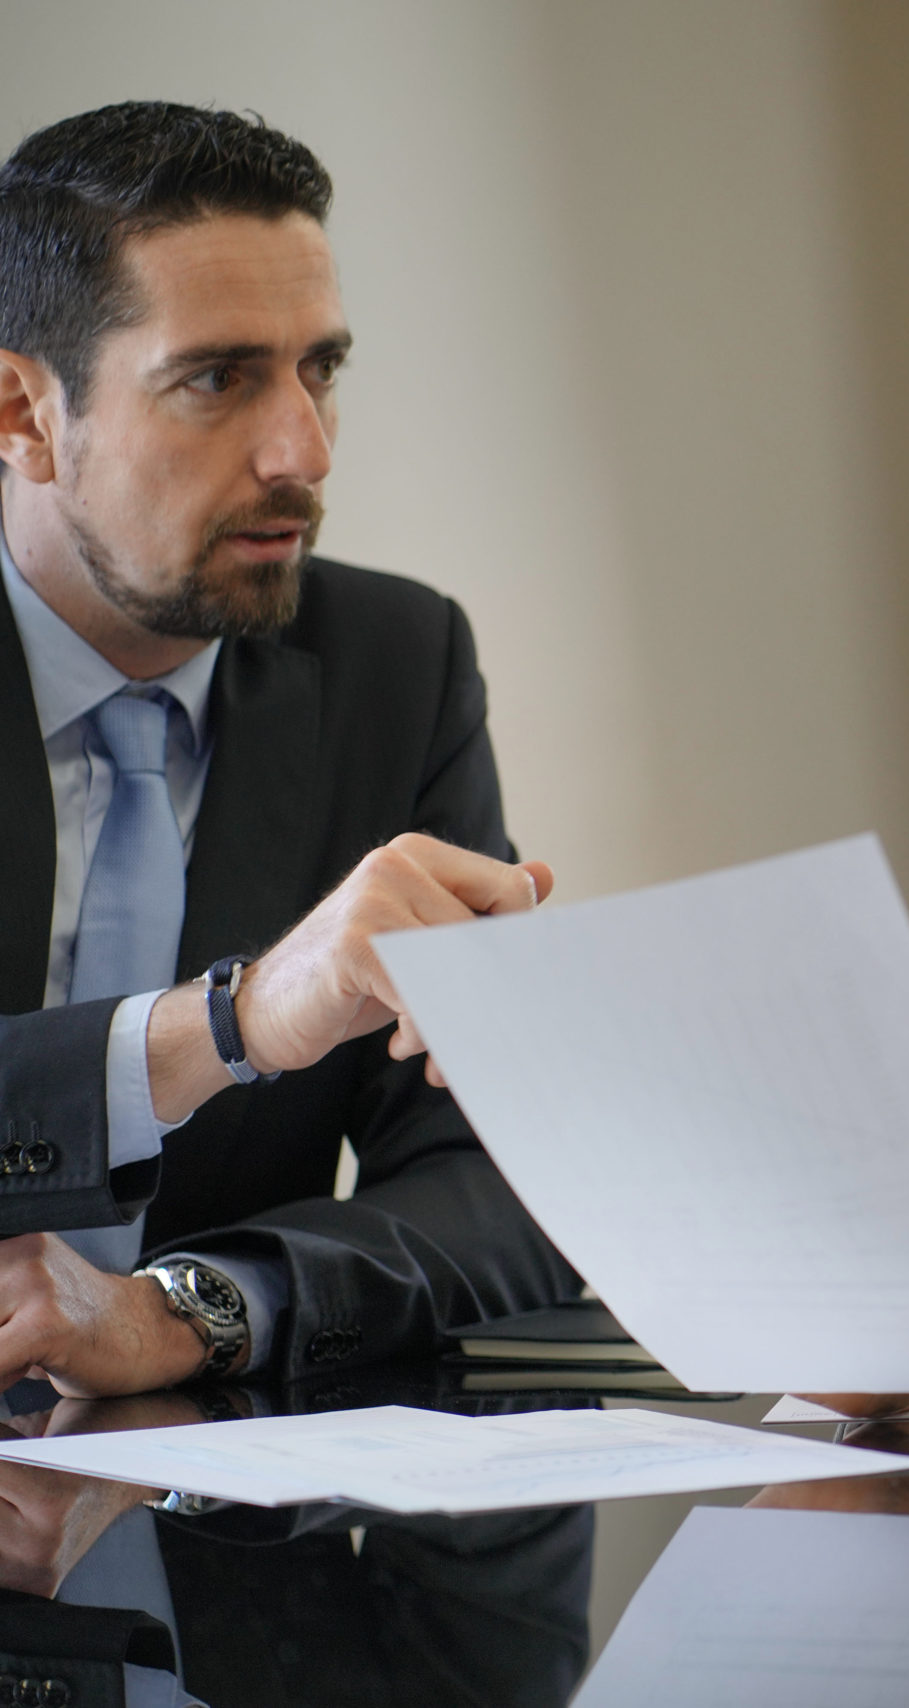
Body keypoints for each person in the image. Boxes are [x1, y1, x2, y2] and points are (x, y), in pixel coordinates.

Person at [0, 99, 576, 1407]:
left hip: (212, 1533)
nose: (302, 454)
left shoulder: (395, 661)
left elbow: (500, 1180)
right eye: (219, 379)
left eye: (320, 370)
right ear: (23, 413)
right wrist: (235, 1022)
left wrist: (192, 1307)